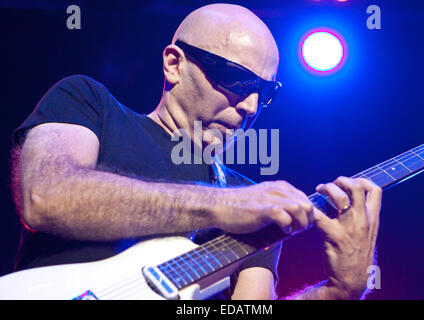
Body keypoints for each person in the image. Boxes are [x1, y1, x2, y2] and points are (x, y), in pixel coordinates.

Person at [10, 3, 381, 300]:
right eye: (238, 80)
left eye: (265, 93)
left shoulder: (252, 202)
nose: (251, 106)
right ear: (174, 65)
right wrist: (227, 207)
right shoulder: (90, 103)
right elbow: (46, 196)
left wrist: (338, 293)